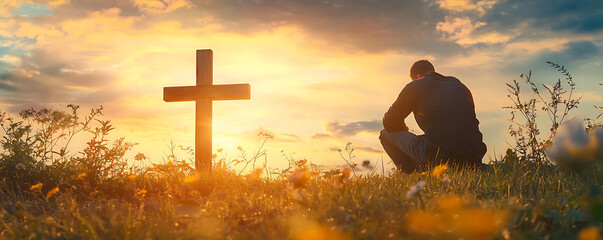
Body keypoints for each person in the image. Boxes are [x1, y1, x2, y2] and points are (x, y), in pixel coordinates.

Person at [379, 60, 487, 173]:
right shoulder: (458, 84)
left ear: (418, 76)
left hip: (440, 155)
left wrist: (402, 127)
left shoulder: (416, 85)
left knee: (385, 134)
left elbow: (389, 122)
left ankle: (412, 173)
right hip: (474, 155)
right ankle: (460, 166)